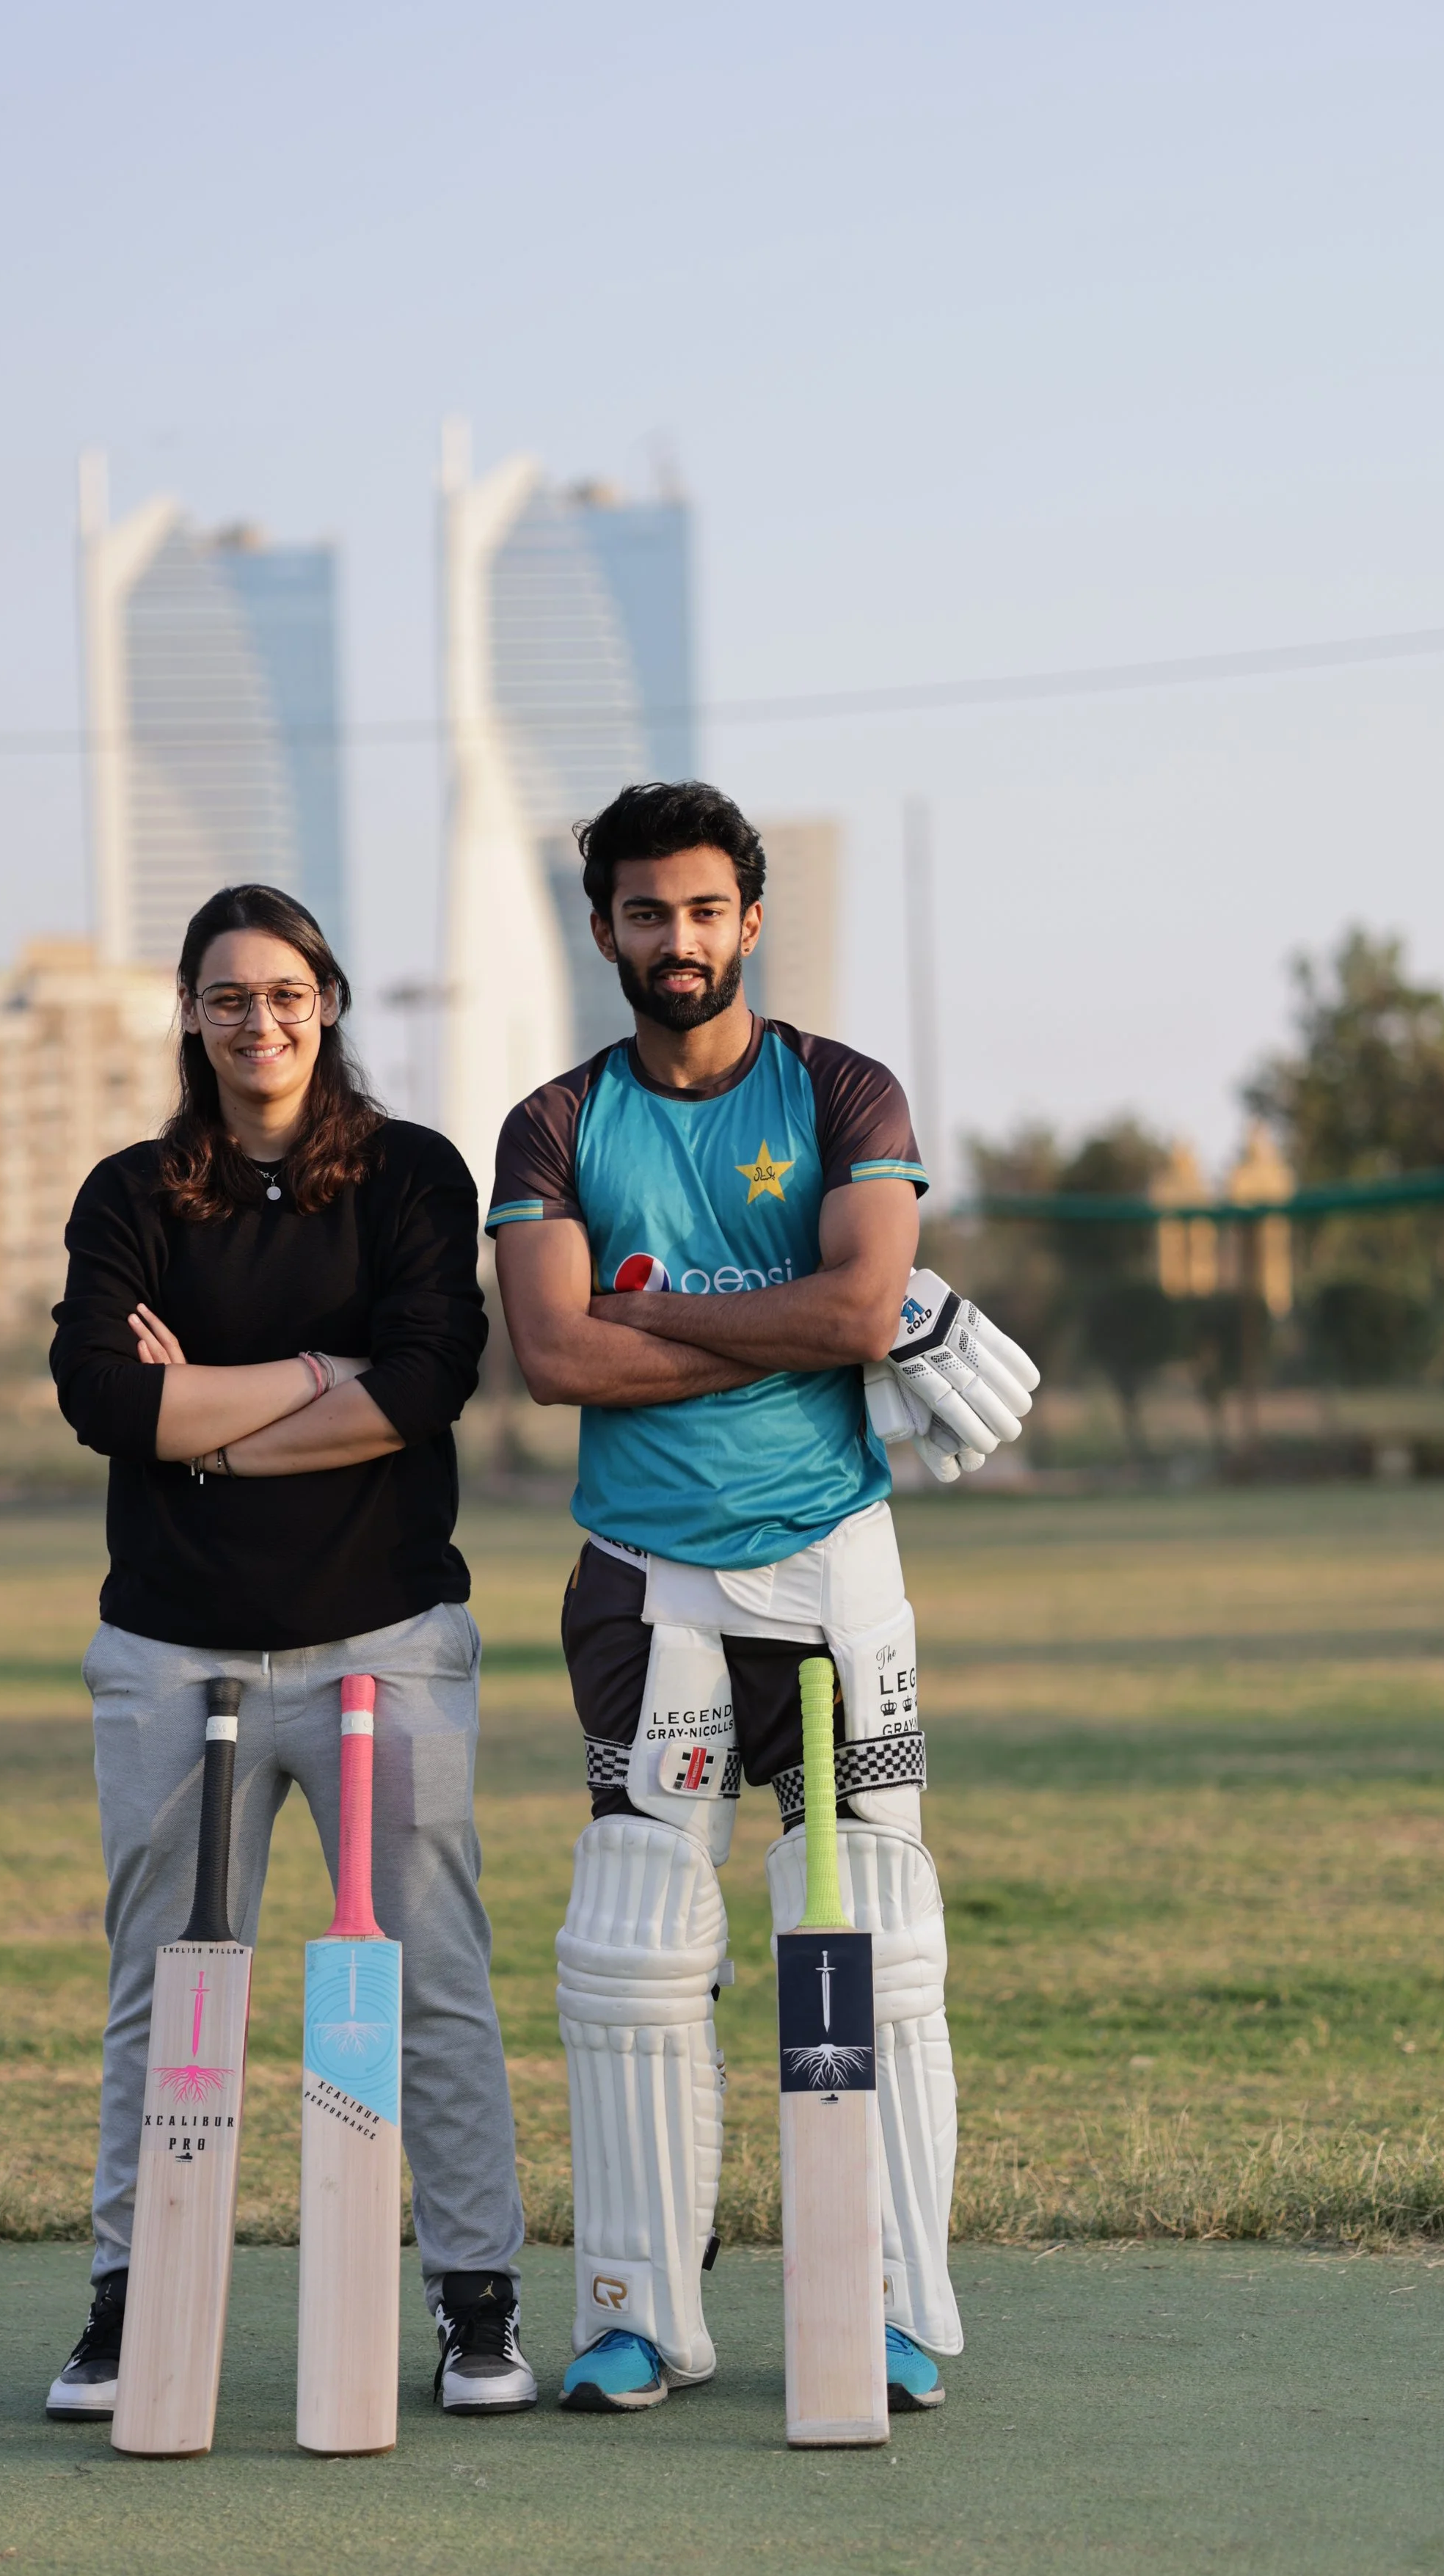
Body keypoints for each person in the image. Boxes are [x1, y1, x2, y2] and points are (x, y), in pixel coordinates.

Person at [491, 781, 963, 2416]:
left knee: (868, 1939)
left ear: (749, 919)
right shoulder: (554, 1123)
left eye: (703, 909)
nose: (676, 938)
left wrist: (650, 1314)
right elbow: (548, 1356)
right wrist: (788, 1317)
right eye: (646, 911)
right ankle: (638, 2312)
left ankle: (882, 2300)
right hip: (644, 1579)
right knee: (635, 1947)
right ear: (603, 928)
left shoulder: (841, 1089)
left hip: (832, 1568)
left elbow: (862, 1314)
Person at [45, 882, 533, 2423]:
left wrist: (210, 1427)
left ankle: (475, 2304)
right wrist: (320, 1377)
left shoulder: (410, 1174)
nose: (258, 1021)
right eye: (226, 997)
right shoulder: (132, 1193)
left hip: (385, 1641)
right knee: (164, 1992)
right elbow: (106, 1402)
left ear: (325, 1005)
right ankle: (130, 2303)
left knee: (430, 1977)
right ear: (190, 1016)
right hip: (170, 1655)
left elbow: (427, 1381)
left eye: (284, 994)